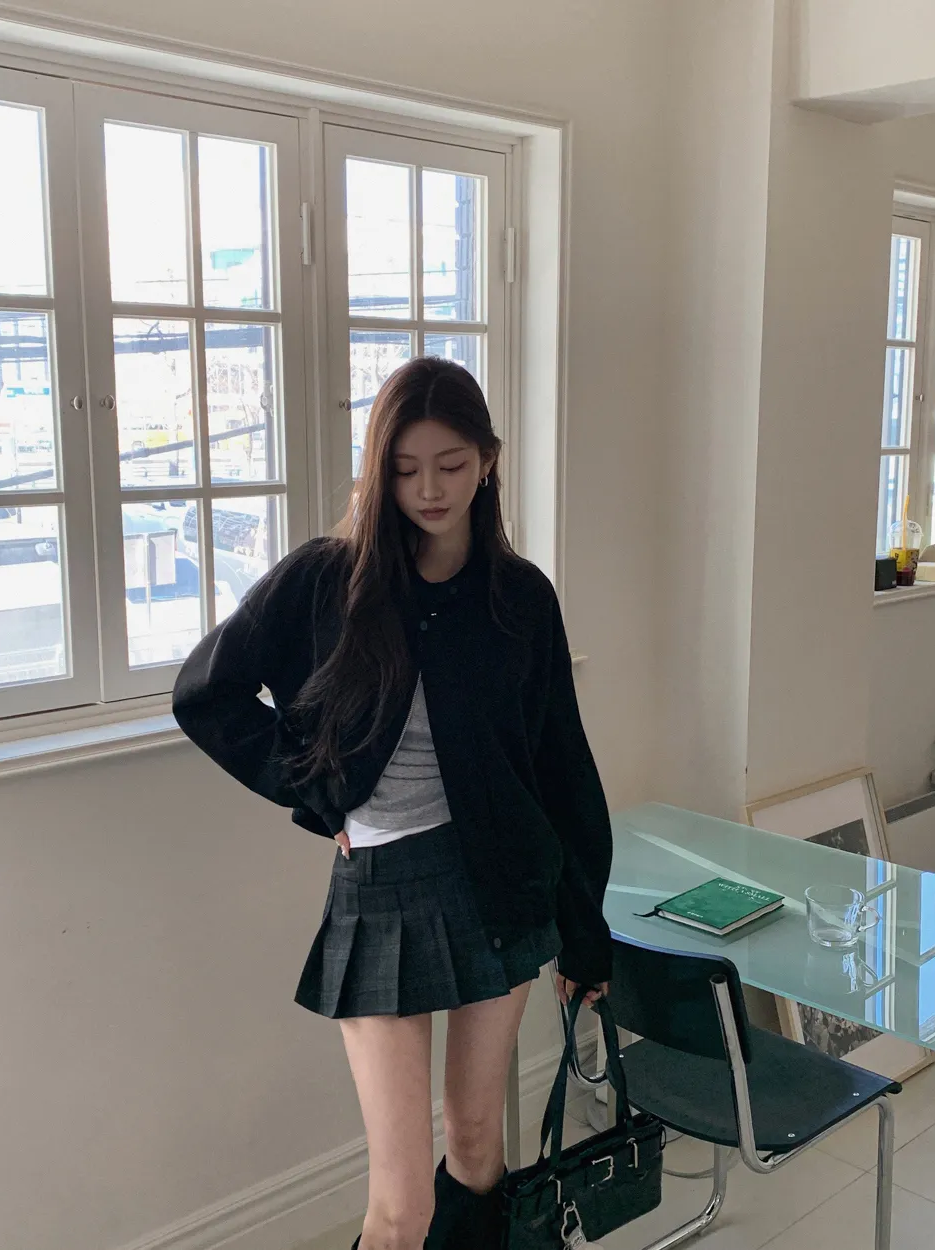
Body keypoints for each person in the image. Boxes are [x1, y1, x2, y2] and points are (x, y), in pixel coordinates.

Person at [172, 357, 613, 1250]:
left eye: (451, 465)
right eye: (406, 470)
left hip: (500, 884)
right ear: (380, 471)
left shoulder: (520, 598)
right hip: (381, 891)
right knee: (402, 1207)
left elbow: (561, 764)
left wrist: (585, 930)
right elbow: (205, 694)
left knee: (480, 1150)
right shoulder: (328, 580)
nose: (429, 490)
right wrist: (315, 792)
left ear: (488, 460)